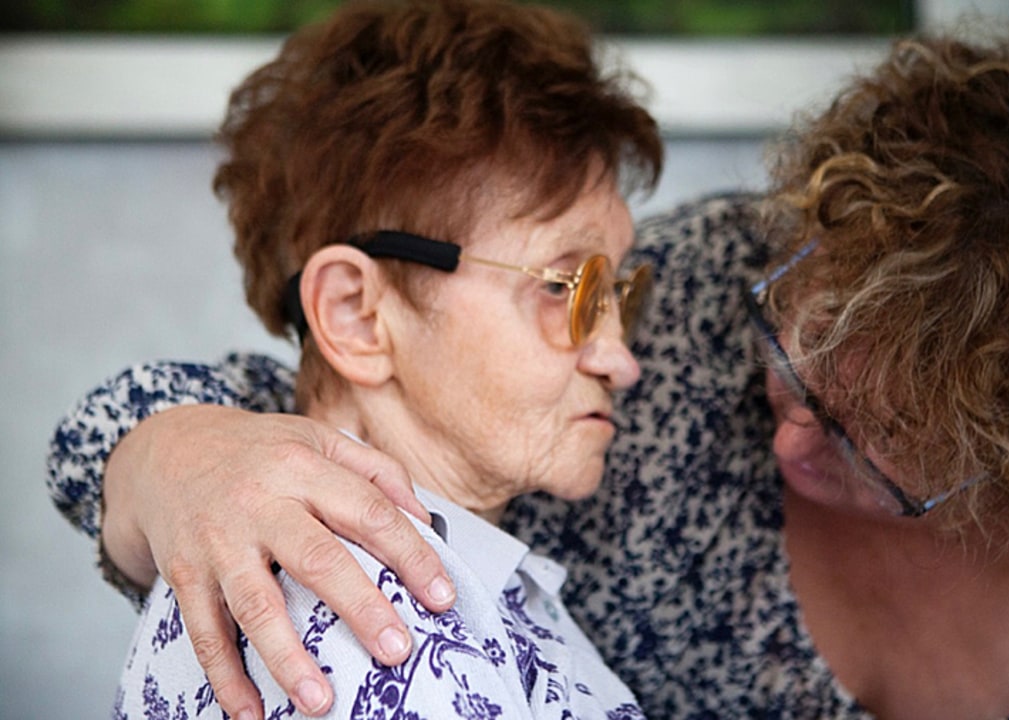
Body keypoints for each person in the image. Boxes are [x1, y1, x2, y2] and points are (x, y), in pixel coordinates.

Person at [51, 23, 1009, 720]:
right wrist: (160, 453)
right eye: (790, 359)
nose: (631, 358)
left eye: (878, 441)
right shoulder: (367, 630)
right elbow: (326, 403)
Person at [103, 0, 663, 717]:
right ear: (357, 316)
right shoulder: (365, 629)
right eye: (567, 286)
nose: (620, 360)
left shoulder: (440, 580)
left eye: (617, 290)